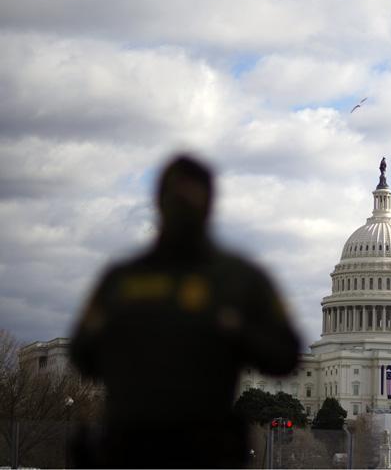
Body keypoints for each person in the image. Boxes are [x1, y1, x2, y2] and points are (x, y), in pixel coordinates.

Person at [70, 154, 300, 467]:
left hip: (188, 446)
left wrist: (233, 333)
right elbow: (82, 353)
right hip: (142, 444)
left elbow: (285, 354)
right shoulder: (238, 278)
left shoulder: (123, 280)